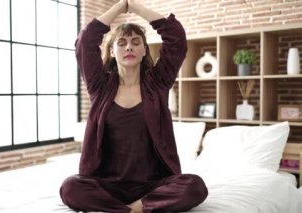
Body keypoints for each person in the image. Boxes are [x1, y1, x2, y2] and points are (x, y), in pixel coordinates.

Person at [60, 0, 208, 212]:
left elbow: (176, 40)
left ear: (144, 50)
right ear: (112, 51)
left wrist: (135, 7)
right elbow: (85, 42)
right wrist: (121, 6)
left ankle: (133, 207)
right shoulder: (99, 86)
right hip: (109, 185)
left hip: (153, 185)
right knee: (70, 188)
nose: (129, 46)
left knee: (195, 187)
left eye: (136, 42)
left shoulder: (158, 83)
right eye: (121, 43)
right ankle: (132, 210)